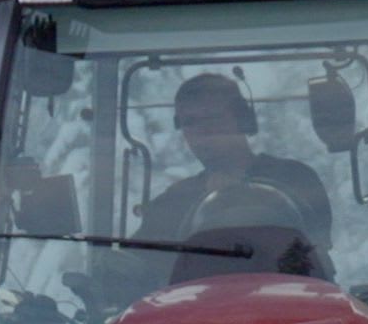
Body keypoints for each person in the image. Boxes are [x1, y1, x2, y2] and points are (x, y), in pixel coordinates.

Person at [131, 73, 334, 257]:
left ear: (242, 118)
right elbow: (136, 265)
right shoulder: (172, 203)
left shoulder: (295, 178)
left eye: (212, 117)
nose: (203, 131)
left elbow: (316, 253)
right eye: (190, 122)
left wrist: (238, 199)